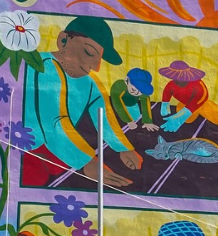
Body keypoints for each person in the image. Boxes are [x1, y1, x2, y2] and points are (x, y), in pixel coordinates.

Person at [21, 15, 142, 189]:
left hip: (60, 151)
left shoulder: (88, 82)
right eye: (89, 52)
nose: (96, 66)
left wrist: (123, 147)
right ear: (63, 40)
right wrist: (88, 163)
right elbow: (54, 123)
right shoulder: (42, 66)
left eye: (100, 59)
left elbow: (104, 115)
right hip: (24, 152)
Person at [157, 60, 218, 133]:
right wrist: (165, 105)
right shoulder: (171, 85)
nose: (178, 80)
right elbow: (167, 93)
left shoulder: (199, 85)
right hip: (185, 105)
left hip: (203, 105)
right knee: (188, 121)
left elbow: (200, 99)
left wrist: (181, 117)